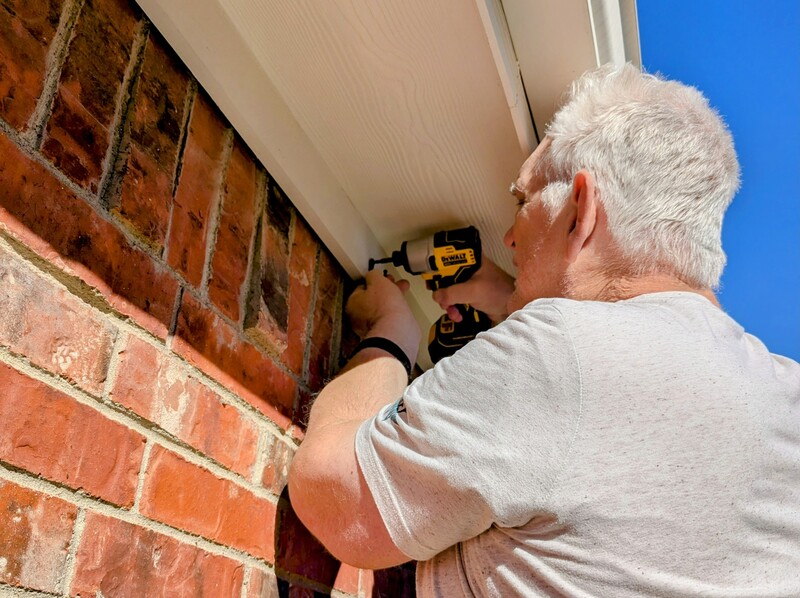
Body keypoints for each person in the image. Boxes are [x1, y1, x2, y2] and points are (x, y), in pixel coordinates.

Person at [287, 64, 800, 596]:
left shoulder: (556, 351)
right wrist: (512, 292)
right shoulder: (786, 394)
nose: (508, 236)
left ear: (581, 209)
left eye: (521, 201)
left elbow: (337, 500)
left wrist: (392, 334)